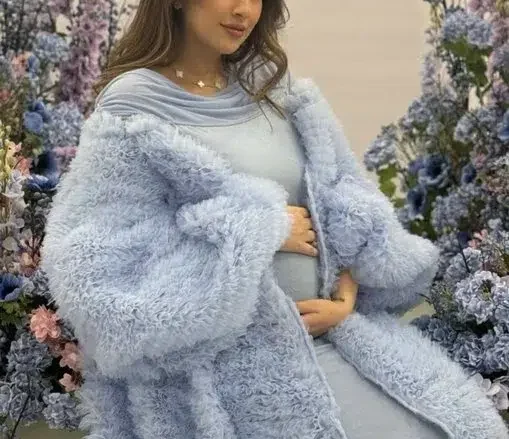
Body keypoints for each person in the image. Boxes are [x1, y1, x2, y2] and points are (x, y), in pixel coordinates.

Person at [41, 1, 508, 438]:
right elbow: (98, 266)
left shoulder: (277, 90)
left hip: (335, 335)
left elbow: (343, 197)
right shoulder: (133, 109)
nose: (244, 10)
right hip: (231, 368)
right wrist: (258, 230)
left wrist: (345, 295)